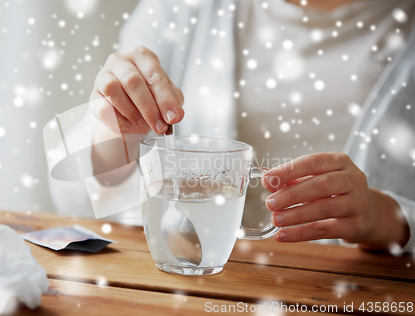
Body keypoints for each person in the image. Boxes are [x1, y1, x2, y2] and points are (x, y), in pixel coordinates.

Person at [48, 0, 415, 253]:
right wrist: (117, 134)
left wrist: (384, 218)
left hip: (358, 295)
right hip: (199, 288)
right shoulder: (184, 9)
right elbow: (73, 196)